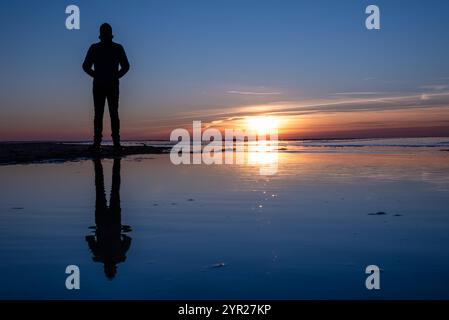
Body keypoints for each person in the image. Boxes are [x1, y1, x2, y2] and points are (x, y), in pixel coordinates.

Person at [82, 23, 130, 151]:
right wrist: (96, 75)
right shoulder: (95, 48)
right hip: (100, 85)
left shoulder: (117, 48)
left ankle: (115, 143)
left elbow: (126, 66)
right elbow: (85, 66)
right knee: (100, 114)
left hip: (111, 85)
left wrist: (116, 76)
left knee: (112, 113)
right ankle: (98, 143)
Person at [85, 158, 132, 279]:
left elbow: (128, 239)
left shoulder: (118, 256)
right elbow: (89, 238)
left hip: (112, 221)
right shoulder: (101, 256)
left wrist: (121, 232)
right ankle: (106, 161)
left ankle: (107, 161)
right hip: (105, 221)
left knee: (112, 189)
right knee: (102, 188)